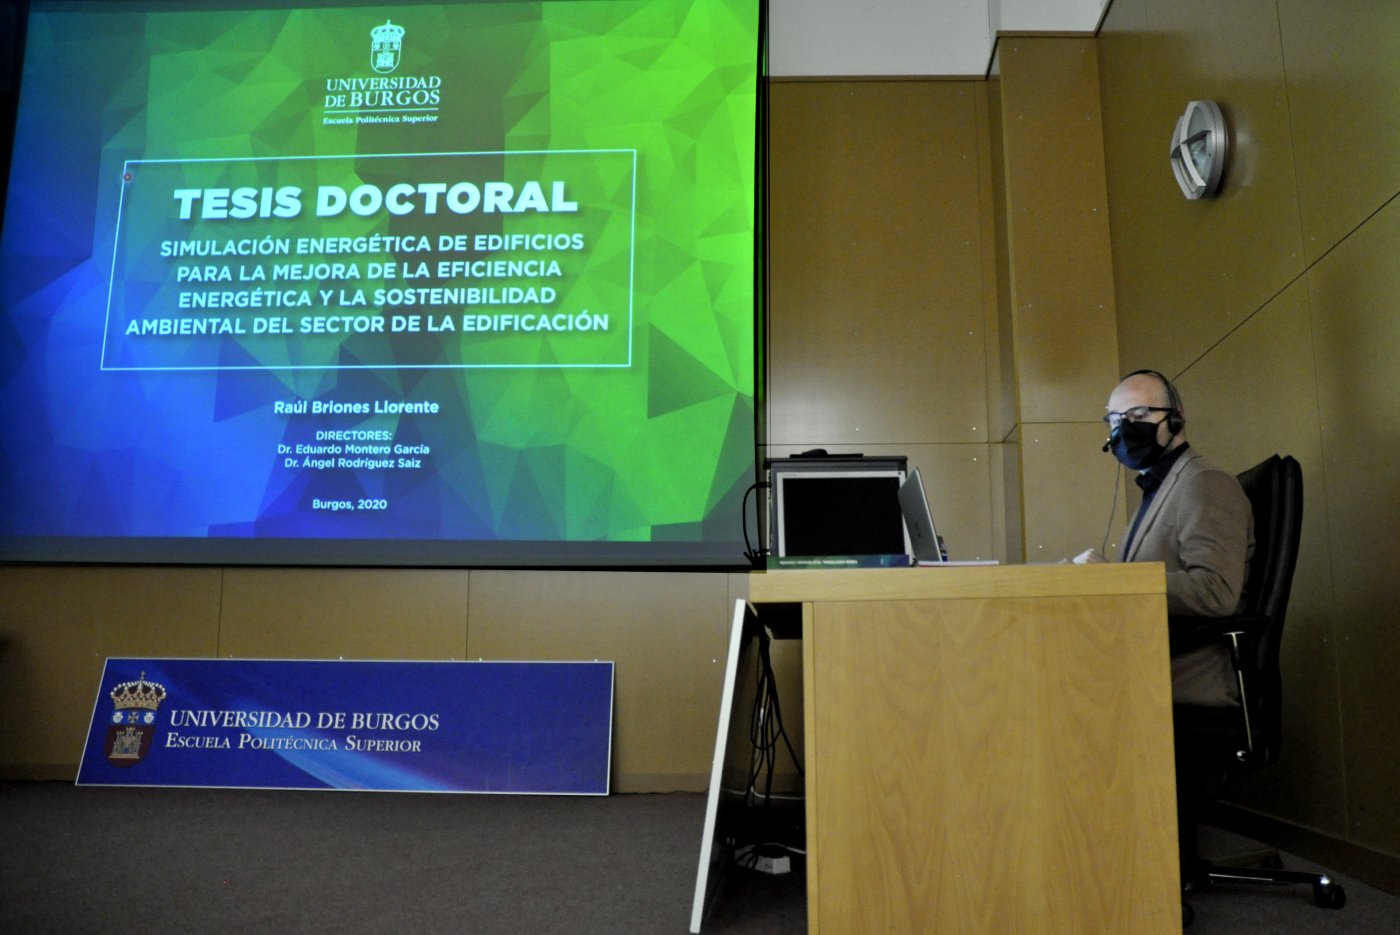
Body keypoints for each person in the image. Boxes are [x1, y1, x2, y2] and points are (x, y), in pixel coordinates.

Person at [1072, 369, 1254, 706]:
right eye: (1115, 421)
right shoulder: (1158, 489)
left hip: (1185, 679)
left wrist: (1115, 578)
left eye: (1139, 415)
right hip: (1144, 665)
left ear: (1177, 418)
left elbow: (1217, 592)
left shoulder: (1205, 482)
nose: (1124, 429)